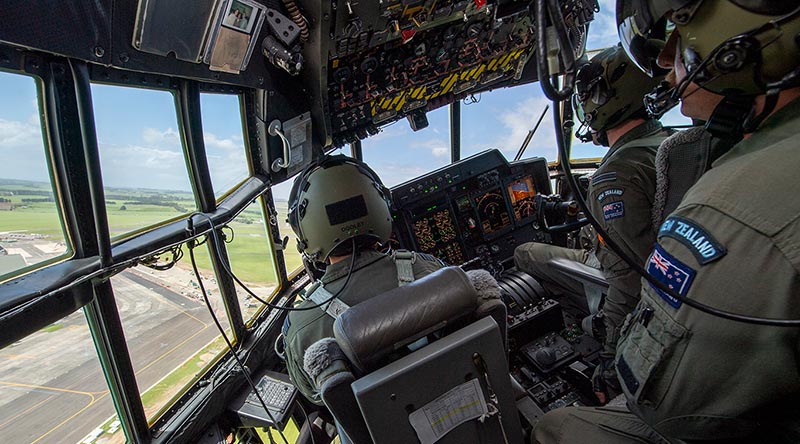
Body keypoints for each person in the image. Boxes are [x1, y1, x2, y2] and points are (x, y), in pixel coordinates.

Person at [533, 1, 800, 442]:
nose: (663, 61)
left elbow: (666, 403)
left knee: (552, 429)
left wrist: (609, 359)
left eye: (676, 38)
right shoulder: (684, 142)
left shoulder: (624, 177)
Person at [515, 44, 672, 404]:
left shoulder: (614, 176)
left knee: (525, 253)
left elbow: (630, 280)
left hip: (625, 281)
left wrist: (609, 357)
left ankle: (578, 332)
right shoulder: (669, 143)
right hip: (653, 270)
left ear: (600, 100)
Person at [281, 155, 445, 405]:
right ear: (380, 207)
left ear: (306, 232)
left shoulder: (302, 328)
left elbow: (315, 398)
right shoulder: (434, 272)